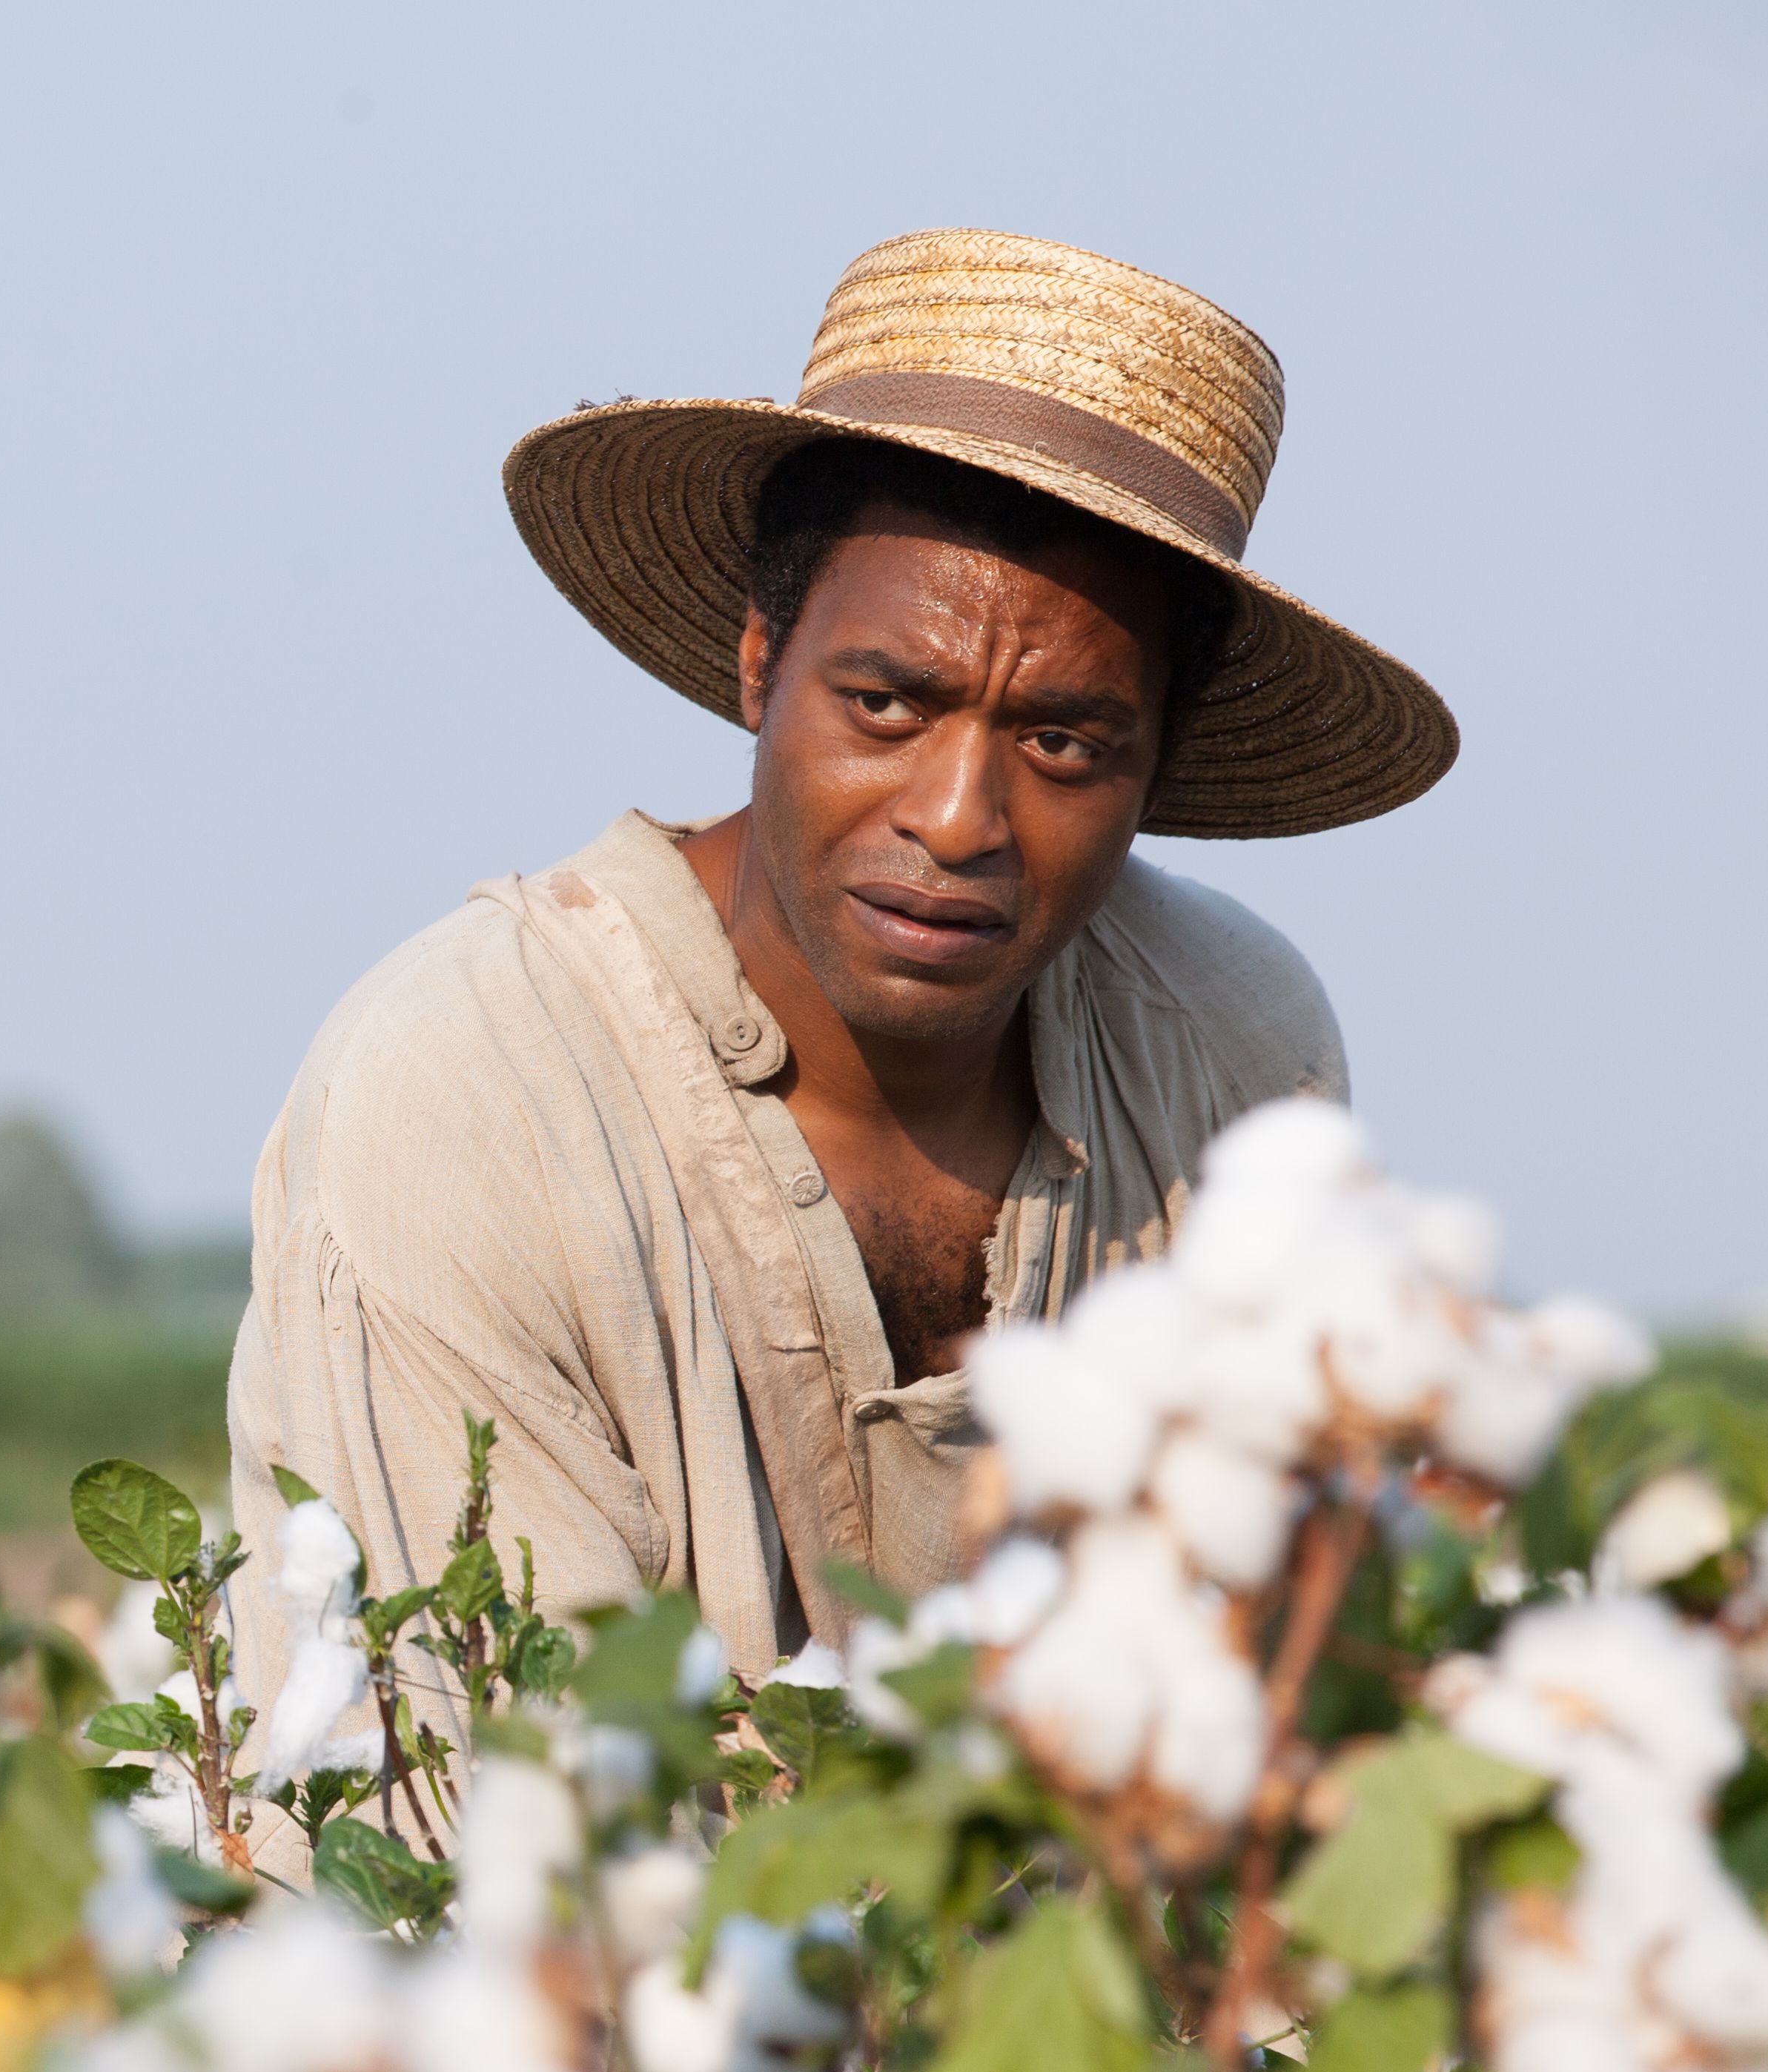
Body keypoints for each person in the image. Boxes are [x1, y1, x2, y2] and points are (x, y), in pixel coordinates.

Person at [227, 228, 1457, 1745]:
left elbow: (1276, 1675)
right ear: (759, 667)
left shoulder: (1225, 1052)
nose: (958, 819)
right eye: (885, 705)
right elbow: (504, 1824)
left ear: (1157, 765)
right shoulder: (471, 1090)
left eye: (1065, 743)